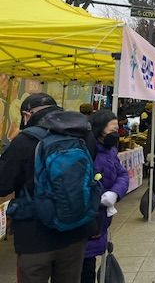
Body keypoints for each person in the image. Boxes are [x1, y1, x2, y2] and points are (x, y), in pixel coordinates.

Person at [0, 93, 97, 283]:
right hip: (75, 230)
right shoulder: (84, 134)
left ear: (28, 114)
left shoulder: (24, 140)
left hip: (35, 237)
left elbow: (2, 185)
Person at [82, 110, 129, 283]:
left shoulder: (110, 150)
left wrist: (115, 192)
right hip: (87, 218)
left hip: (101, 219)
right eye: (113, 129)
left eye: (118, 128)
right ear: (99, 129)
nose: (116, 132)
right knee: (84, 267)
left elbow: (123, 174)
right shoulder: (86, 152)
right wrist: (98, 196)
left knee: (90, 264)